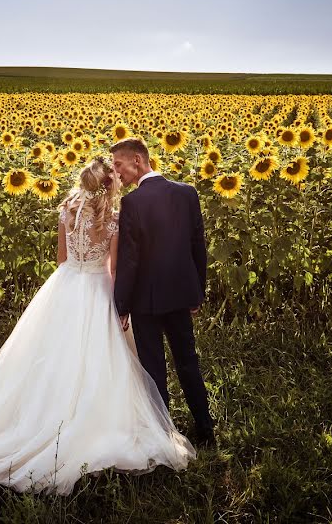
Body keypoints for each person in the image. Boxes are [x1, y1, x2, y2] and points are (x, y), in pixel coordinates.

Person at [0, 156, 195, 496]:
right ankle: (97, 421)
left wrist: (74, 275)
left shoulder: (67, 209)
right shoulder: (112, 219)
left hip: (64, 286)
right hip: (97, 286)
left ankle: (38, 415)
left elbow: (62, 259)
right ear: (110, 185)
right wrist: (120, 303)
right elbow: (112, 268)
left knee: (49, 355)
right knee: (102, 358)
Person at [110, 138, 216, 448]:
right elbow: (198, 245)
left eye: (119, 165)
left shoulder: (133, 203)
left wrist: (122, 305)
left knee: (154, 366)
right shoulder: (186, 193)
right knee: (188, 361)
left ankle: (163, 434)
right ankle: (206, 429)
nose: (117, 172)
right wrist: (198, 291)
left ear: (138, 162)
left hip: (146, 300)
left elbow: (129, 261)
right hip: (181, 295)